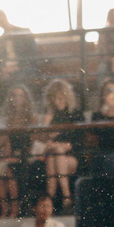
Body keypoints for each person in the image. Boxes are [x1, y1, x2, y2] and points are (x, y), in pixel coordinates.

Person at [40, 79, 83, 210]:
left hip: (73, 157)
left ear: (66, 97)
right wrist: (46, 122)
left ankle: (51, 198)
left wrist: (57, 145)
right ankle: (65, 197)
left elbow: (76, 143)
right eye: (54, 99)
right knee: (54, 157)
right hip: (54, 158)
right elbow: (42, 143)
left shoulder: (76, 114)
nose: (57, 102)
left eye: (60, 98)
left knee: (56, 153)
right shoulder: (52, 116)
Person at [1, 85, 39, 214]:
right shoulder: (8, 120)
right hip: (13, 155)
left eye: (20, 95)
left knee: (9, 170)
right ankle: (5, 209)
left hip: (27, 154)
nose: (17, 98)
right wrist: (7, 156)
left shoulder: (32, 118)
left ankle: (15, 209)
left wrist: (21, 155)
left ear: (25, 98)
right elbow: (8, 142)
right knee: (0, 169)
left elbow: (33, 141)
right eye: (14, 95)